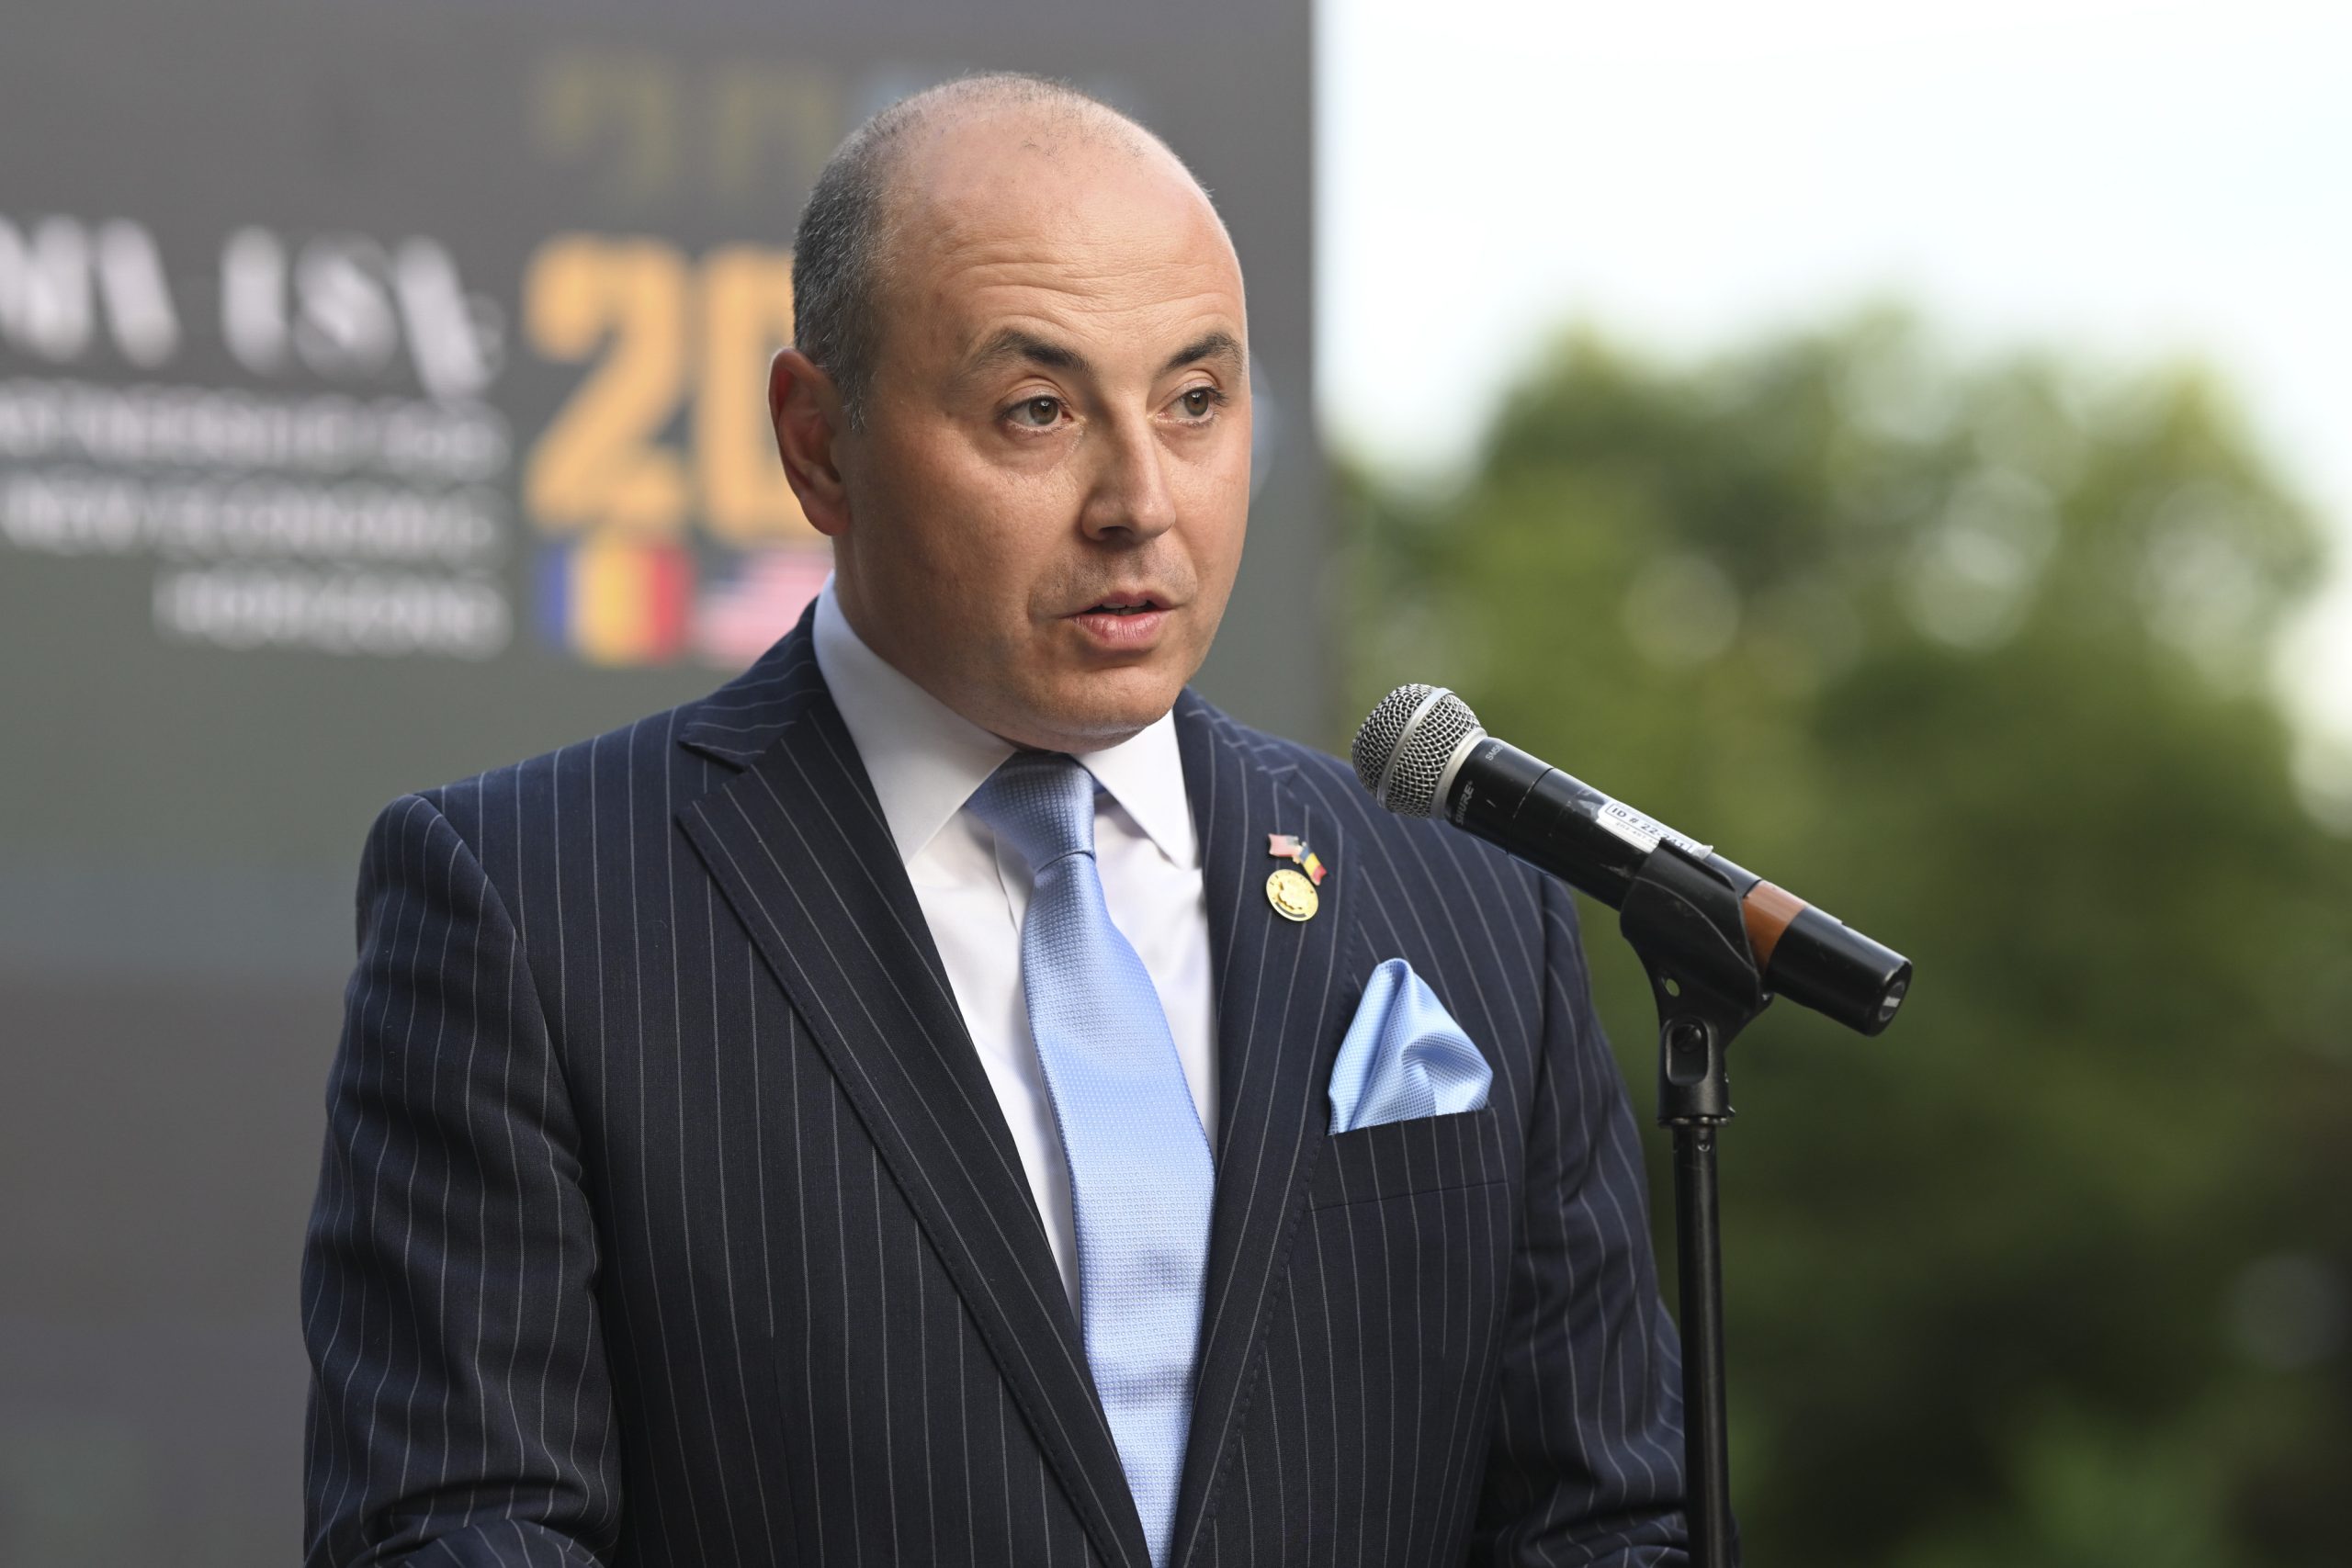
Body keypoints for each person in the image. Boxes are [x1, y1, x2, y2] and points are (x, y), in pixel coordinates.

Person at [301, 72, 1690, 1567]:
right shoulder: (531, 903)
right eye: (1039, 411)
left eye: (1197, 402)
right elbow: (460, 1528)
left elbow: (1602, 1523)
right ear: (818, 443)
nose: (1141, 500)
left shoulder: (1471, 902)